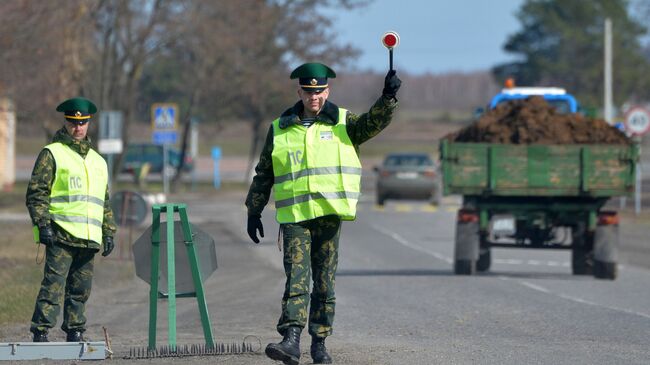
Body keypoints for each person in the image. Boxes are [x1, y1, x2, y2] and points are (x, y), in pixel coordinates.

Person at [245, 63, 401, 365]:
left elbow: (373, 124)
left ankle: (320, 342)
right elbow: (264, 172)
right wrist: (254, 210)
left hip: (328, 216)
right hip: (295, 218)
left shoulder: (343, 122)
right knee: (296, 280)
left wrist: (388, 97)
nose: (314, 97)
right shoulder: (280, 128)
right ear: (299, 91)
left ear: (327, 91)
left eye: (319, 91)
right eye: (308, 91)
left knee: (325, 282)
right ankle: (290, 340)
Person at [26, 97, 117, 342]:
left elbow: (104, 200)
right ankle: (41, 330)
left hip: (89, 237)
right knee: (53, 286)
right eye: (73, 122)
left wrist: (108, 231)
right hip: (60, 233)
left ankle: (75, 330)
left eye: (82, 122)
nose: (78, 127)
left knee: (80, 290)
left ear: (89, 123)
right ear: (66, 122)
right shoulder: (52, 153)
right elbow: (37, 193)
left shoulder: (99, 161)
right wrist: (43, 224)